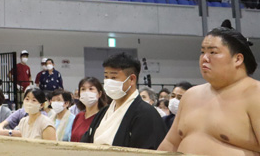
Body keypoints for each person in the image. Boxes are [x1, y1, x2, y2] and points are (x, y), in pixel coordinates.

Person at [159, 22, 260, 155]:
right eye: (202, 52)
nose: (204, 58)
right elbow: (170, 143)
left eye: (213, 52)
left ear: (238, 59)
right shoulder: (191, 95)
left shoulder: (255, 94)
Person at [81, 52, 167, 149]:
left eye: (114, 77)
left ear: (132, 79)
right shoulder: (103, 113)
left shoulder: (147, 115)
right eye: (106, 77)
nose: (108, 82)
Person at [71, 77, 106, 143]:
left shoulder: (103, 117)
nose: (87, 92)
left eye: (91, 89)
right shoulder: (79, 116)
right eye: (83, 89)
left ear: (99, 94)